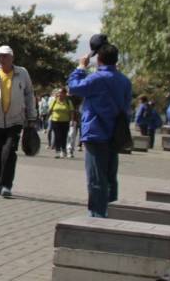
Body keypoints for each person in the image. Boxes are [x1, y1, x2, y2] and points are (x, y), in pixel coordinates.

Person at [68, 43, 132, 217]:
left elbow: (74, 87)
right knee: (111, 177)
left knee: (96, 178)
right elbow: (127, 108)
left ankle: (97, 215)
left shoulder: (96, 78)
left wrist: (81, 67)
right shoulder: (125, 81)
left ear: (99, 59)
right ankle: (112, 210)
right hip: (116, 133)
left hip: (96, 133)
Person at [0, 45, 37, 198]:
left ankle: (6, 185)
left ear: (12, 57)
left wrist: (31, 117)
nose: (2, 59)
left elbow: (29, 94)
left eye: (5, 56)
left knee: (9, 152)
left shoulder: (22, 73)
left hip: (15, 120)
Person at [49, 88, 74, 158]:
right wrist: (49, 117)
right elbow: (50, 110)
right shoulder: (54, 101)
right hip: (55, 121)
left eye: (61, 93)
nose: (59, 94)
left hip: (65, 122)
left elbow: (71, 111)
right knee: (57, 136)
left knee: (64, 136)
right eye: (59, 93)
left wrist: (72, 120)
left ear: (65, 94)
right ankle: (58, 151)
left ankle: (63, 150)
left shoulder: (68, 102)